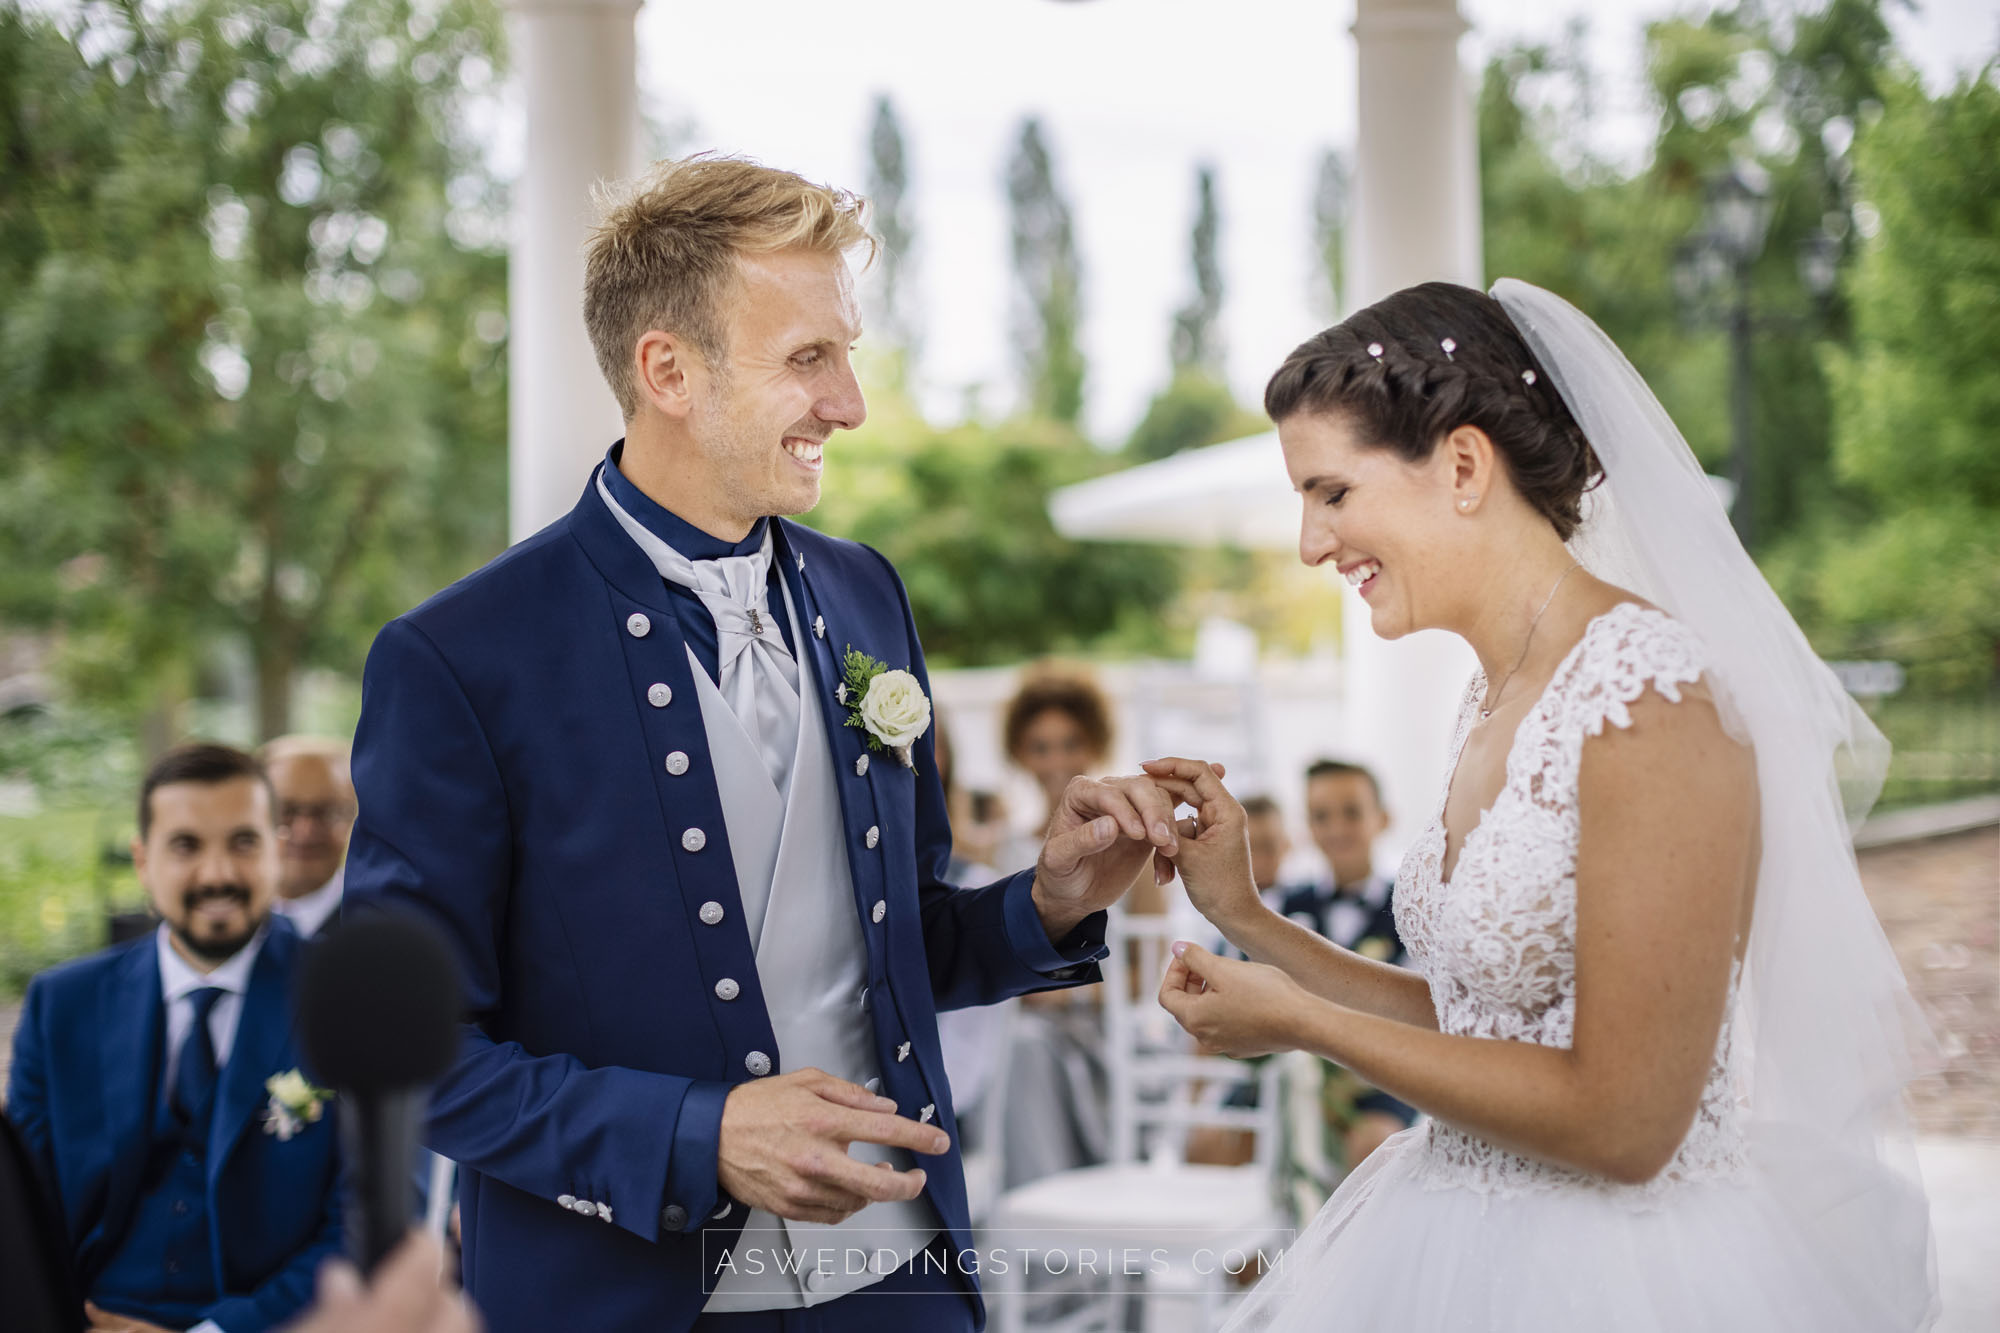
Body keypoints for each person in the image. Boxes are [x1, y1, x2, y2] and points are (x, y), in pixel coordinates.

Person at [342, 155, 1178, 1333]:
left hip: (898, 1283)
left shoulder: (866, 595)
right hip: (620, 1298)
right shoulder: (462, 657)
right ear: (667, 370)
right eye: (807, 360)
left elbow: (895, 941)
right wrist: (696, 1133)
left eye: (845, 355)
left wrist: (1041, 907)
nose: (850, 404)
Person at [1146, 280, 1936, 1331]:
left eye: (1331, 492)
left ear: (1463, 466)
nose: (1309, 543)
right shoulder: (1492, 696)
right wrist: (1247, 920)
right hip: (1452, 1239)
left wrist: (1301, 1022)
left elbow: (1624, 1117)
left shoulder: (1648, 694)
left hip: (1616, 1274)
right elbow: (1481, 1024)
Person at [7, 744, 342, 1333]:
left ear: (275, 849)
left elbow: (363, 1226)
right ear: (142, 860)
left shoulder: (350, 1001)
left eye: (243, 842)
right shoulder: (60, 1005)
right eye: (186, 845)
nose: (218, 875)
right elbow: (21, 1214)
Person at [259, 737, 355, 940]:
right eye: (286, 810)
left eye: (328, 812)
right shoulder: (220, 922)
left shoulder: (376, 923)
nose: (305, 831)